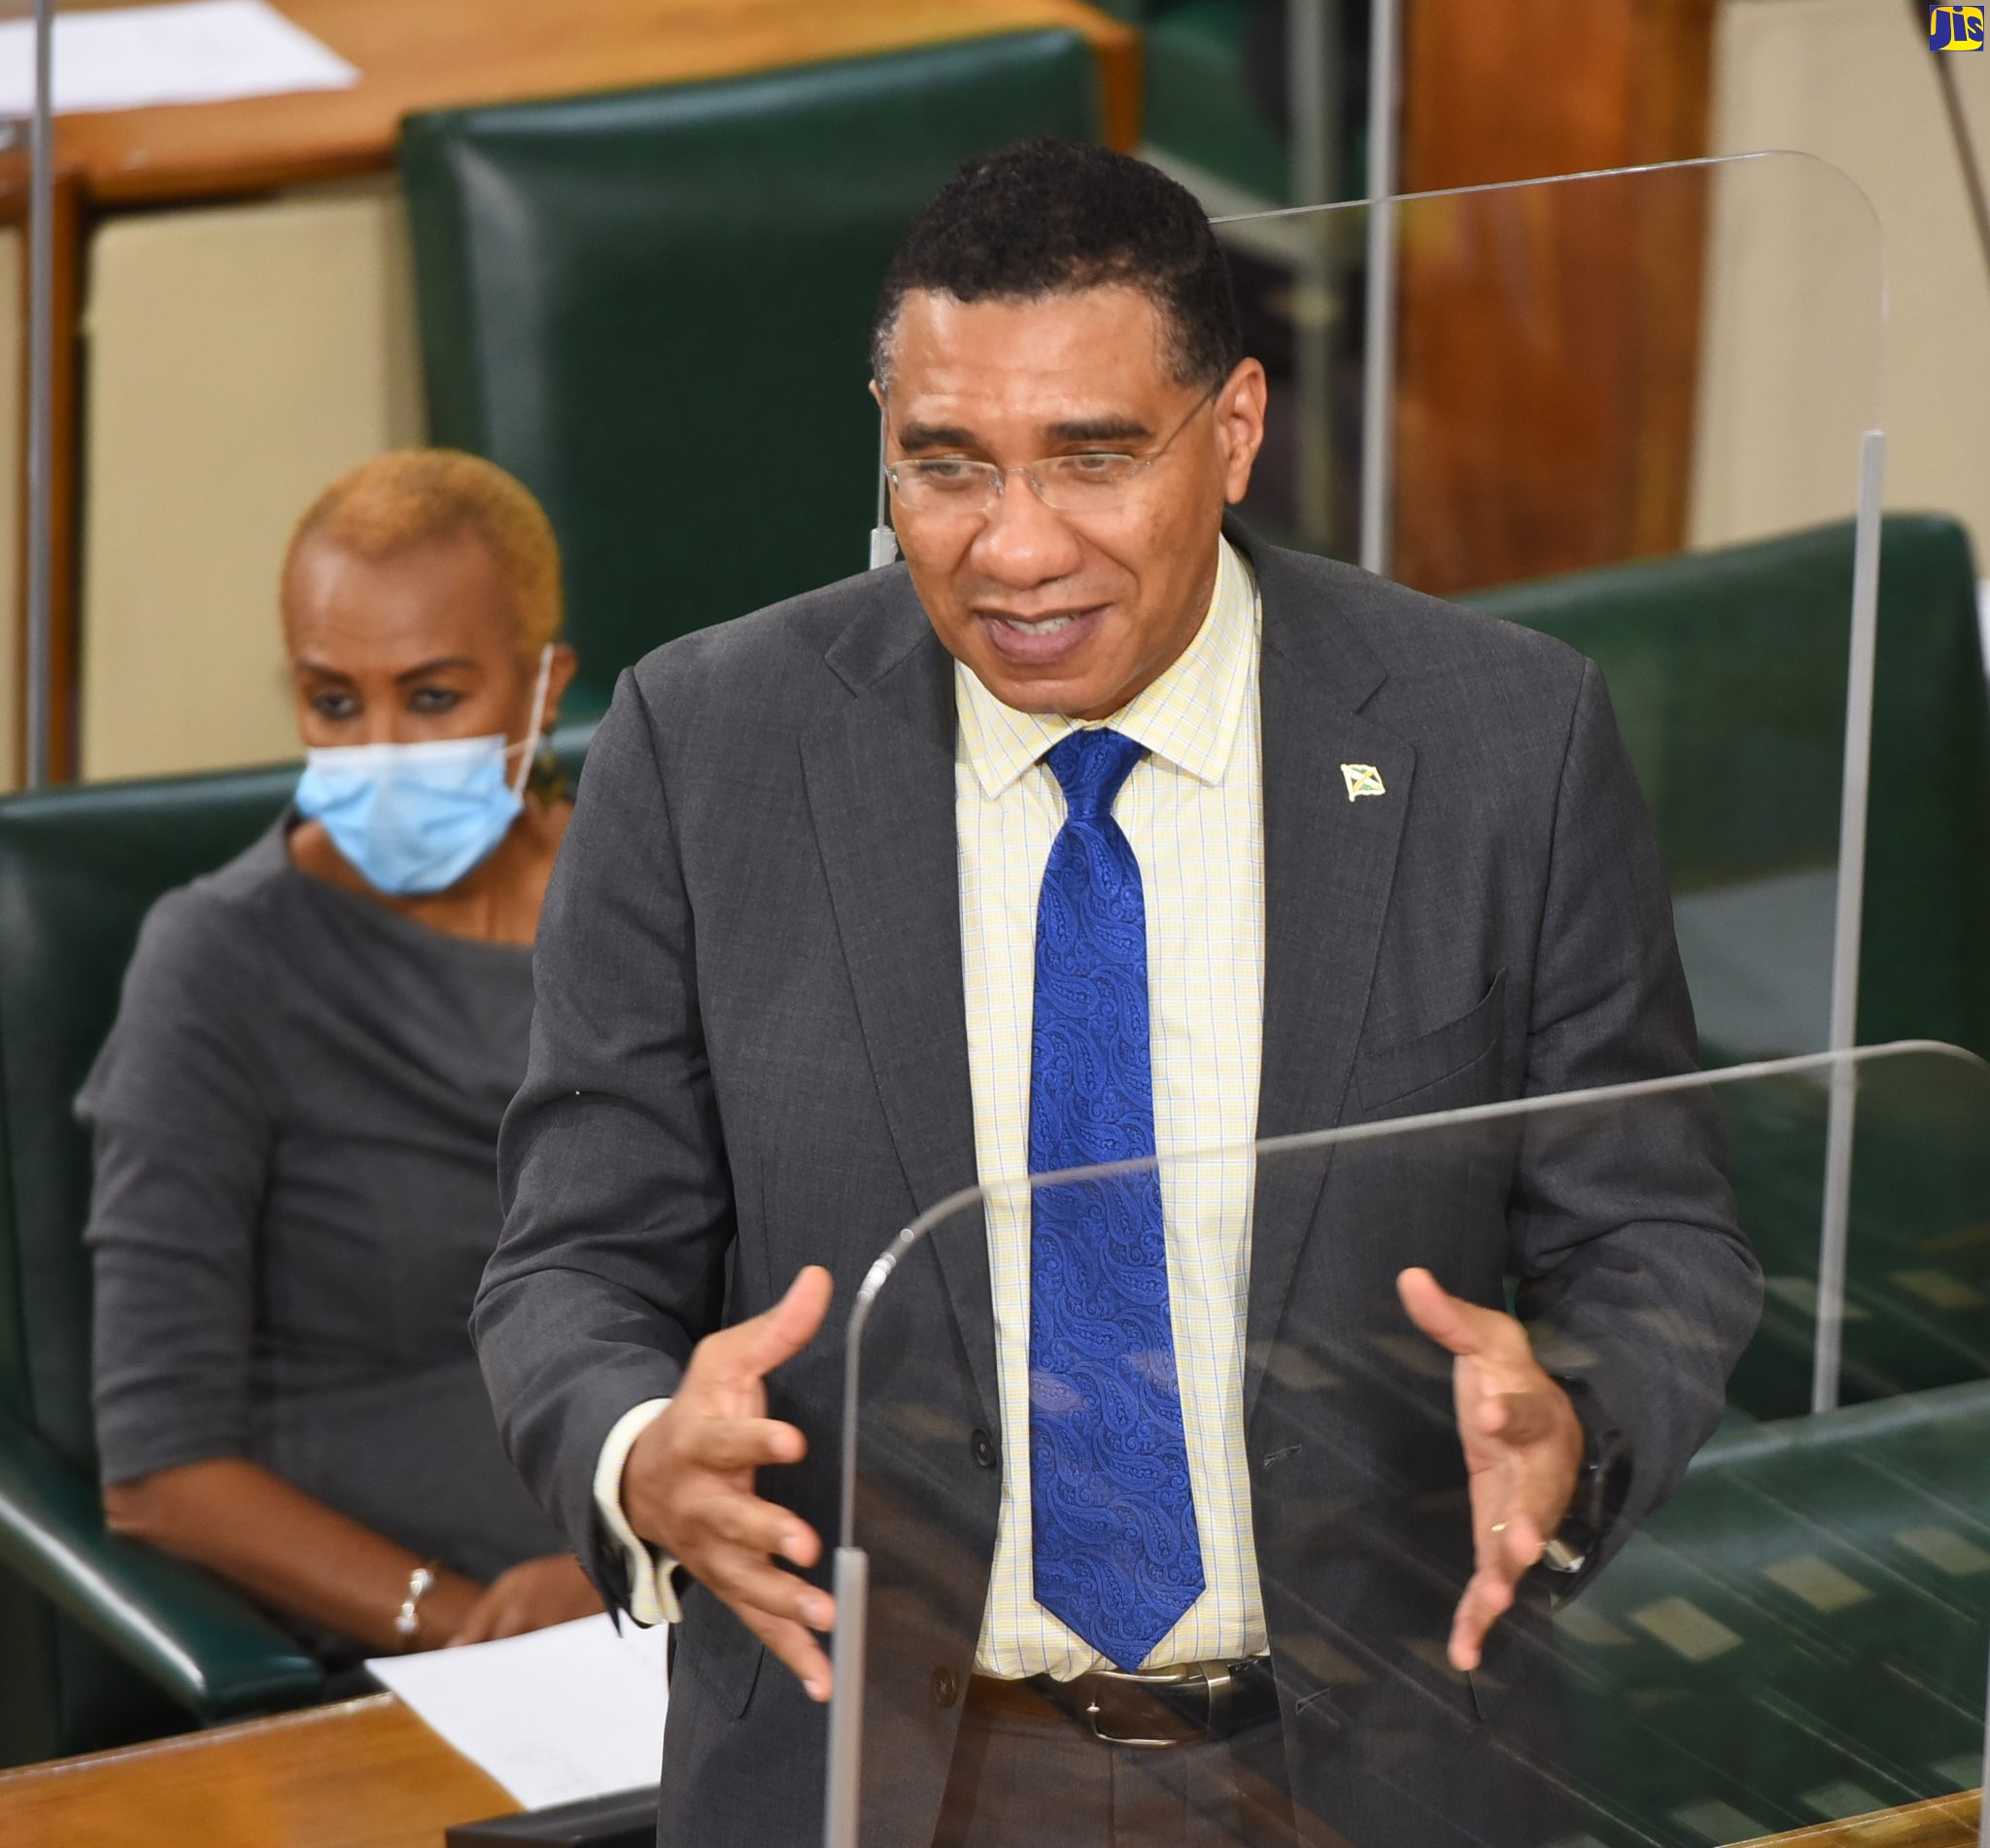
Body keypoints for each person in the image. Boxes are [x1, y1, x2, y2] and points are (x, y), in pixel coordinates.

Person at [475, 142, 1760, 1845]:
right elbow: (571, 1258)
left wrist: (1574, 1421)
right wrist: (642, 1452)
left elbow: (1654, 1237)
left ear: (1229, 432)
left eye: (1088, 460)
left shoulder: (1498, 744)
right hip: (869, 1763)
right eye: (947, 466)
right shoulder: (702, 749)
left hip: (1367, 1760)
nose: (1014, 549)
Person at [84, 450, 604, 1665]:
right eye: (332, 701)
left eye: (432, 699)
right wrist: (462, 1622)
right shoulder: (217, 962)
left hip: (698, 1567)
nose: (379, 750)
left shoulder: (650, 895)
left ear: (542, 690)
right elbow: (160, 1470)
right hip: (449, 1638)